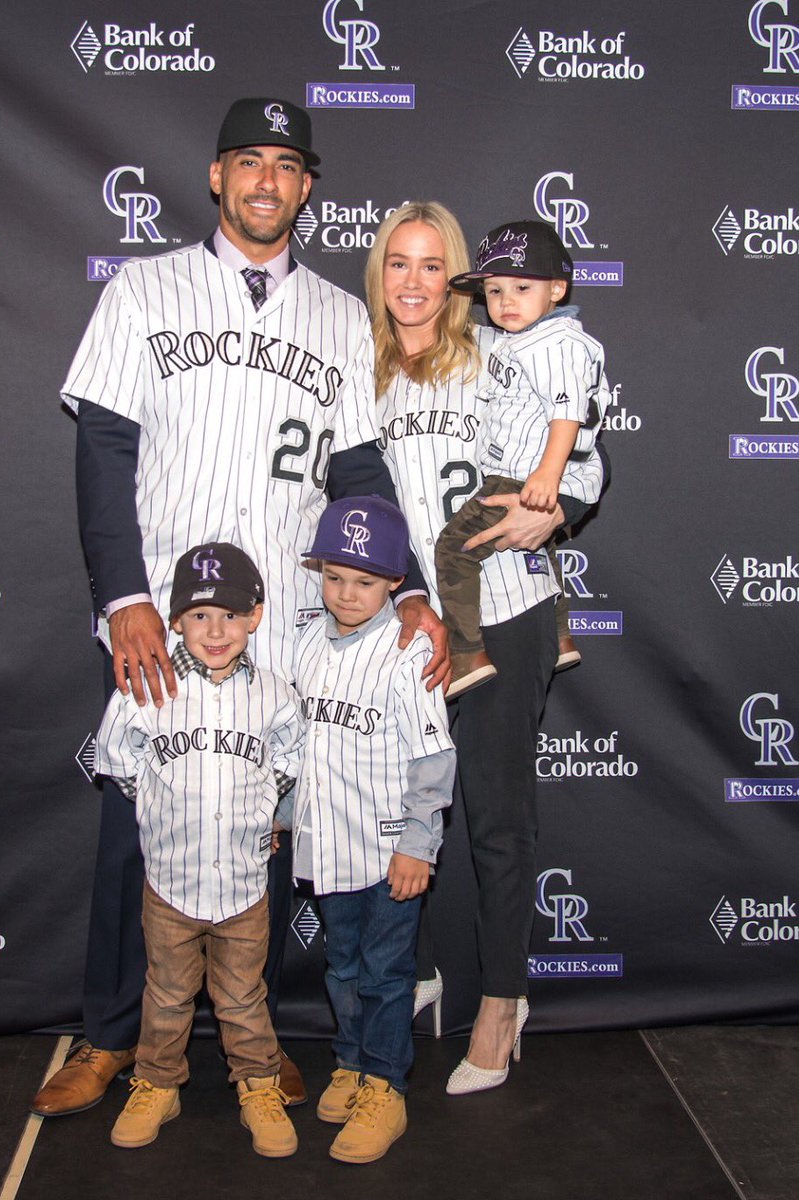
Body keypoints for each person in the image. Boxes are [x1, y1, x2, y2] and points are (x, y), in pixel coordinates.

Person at [33, 97, 447, 1117]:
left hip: (291, 631)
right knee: (140, 830)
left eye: (287, 165)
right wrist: (125, 594)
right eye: (249, 161)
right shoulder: (143, 289)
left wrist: (413, 593)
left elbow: (356, 469)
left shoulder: (340, 317)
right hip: (166, 622)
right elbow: (104, 450)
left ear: (308, 188)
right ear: (218, 176)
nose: (267, 180)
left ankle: (252, 1040)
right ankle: (109, 1035)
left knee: (261, 827)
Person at [365, 202, 606, 1094]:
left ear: (457, 277)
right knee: (394, 811)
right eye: (399, 264)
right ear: (380, 274)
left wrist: (551, 511)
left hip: (507, 608)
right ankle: (412, 976)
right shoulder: (364, 373)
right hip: (409, 617)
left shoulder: (498, 355)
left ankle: (503, 1004)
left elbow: (585, 462)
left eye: (433, 266)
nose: (415, 283)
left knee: (496, 825)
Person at [93, 543, 303, 1155]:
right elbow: (119, 761)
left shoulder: (275, 694)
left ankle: (258, 1085)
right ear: (176, 619)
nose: (217, 631)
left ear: (256, 618)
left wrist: (266, 811)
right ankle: (158, 1082)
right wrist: (160, 810)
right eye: (201, 616)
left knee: (243, 996)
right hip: (171, 880)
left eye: (231, 616)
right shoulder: (145, 689)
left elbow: (288, 762)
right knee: (165, 993)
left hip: (242, 884)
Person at [285, 496, 455, 1162]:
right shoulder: (305, 642)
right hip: (326, 842)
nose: (345, 592)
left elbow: (433, 757)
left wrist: (419, 843)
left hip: (388, 852)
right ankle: (351, 1062)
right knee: (342, 967)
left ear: (393, 584)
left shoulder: (406, 649)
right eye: (333, 576)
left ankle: (385, 1086)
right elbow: (296, 745)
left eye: (362, 580)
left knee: (385, 975)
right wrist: (281, 813)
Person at [436, 220, 609, 697]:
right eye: (493, 290)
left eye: (521, 287)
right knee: (544, 549)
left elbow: (569, 413)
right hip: (525, 473)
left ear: (557, 288)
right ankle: (561, 634)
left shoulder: (554, 343)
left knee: (454, 549)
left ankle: (467, 654)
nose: (505, 301)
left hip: (519, 476)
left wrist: (549, 478)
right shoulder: (533, 339)